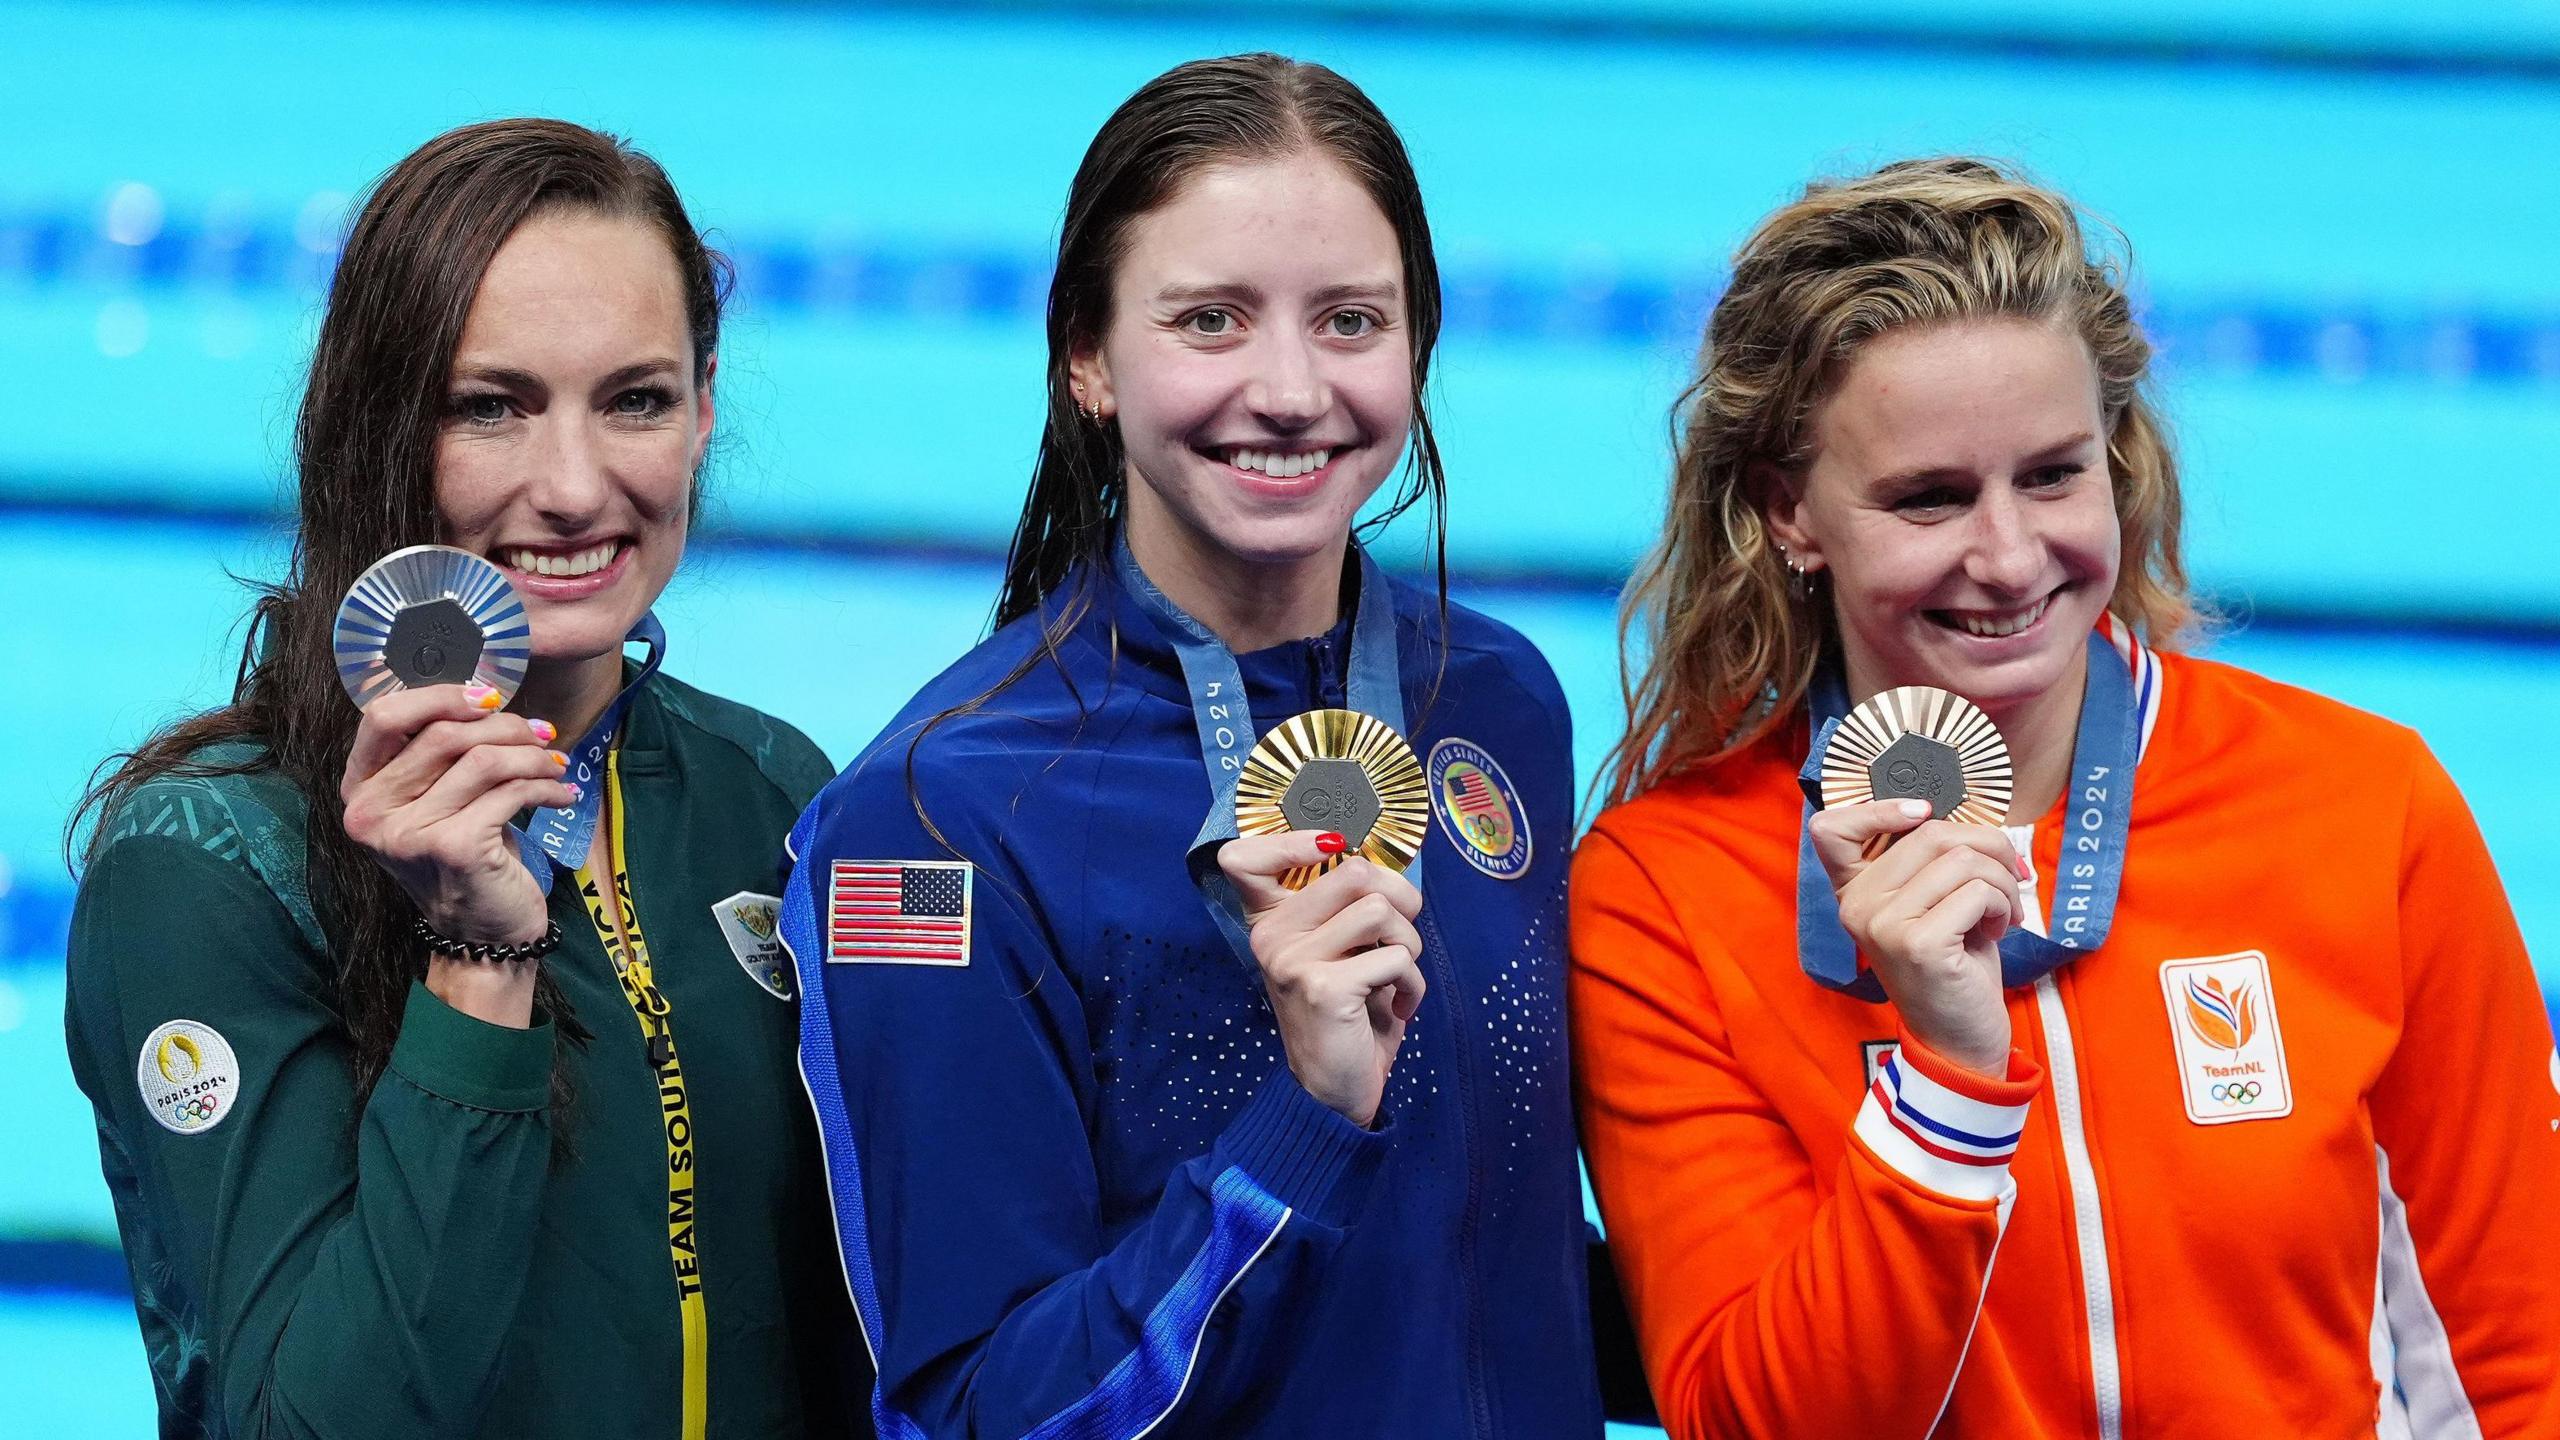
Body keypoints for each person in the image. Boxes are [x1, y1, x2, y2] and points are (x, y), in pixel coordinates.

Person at [1571, 156, 2560, 1437]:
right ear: (1788, 512)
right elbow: (1751, 1418)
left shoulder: (2361, 806)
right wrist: (1947, 1082)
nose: (2008, 557)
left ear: (2117, 458)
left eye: (2051, 475)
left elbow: (2517, 1353)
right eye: (1929, 498)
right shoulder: (1665, 896)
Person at [782, 53, 1602, 1439]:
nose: (1289, 391)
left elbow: (1483, 1254)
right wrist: (1303, 1121)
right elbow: (981, 1413)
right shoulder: (936, 820)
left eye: (1350, 321)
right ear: (1087, 359)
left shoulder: (1500, 702)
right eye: (1211, 321)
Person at [64, 119, 866, 1439]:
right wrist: (475, 962)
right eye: (491, 406)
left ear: (706, 405)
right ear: (383, 422)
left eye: (636, 400)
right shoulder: (212, 862)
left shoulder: (767, 787)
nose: (573, 485)